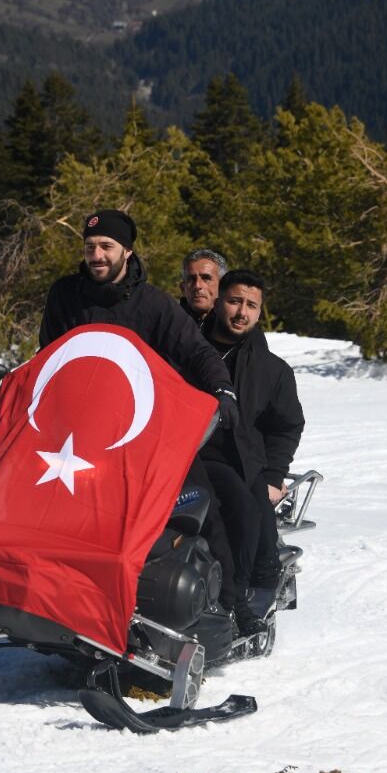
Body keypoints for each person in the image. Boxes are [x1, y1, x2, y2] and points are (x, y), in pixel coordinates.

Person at [39, 210, 246, 614]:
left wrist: (221, 389)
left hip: (145, 431)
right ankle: (51, 591)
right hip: (79, 432)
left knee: (204, 501)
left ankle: (232, 606)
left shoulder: (153, 304)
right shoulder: (65, 294)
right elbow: (48, 354)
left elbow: (197, 351)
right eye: (90, 247)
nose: (96, 255)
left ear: (127, 252)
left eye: (106, 247)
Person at [198, 268, 305, 628]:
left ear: (260, 312)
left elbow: (287, 426)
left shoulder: (272, 370)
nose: (242, 312)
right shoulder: (189, 351)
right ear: (218, 302)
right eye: (234, 301)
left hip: (243, 464)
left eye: (251, 305)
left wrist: (274, 475)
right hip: (185, 456)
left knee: (246, 513)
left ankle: (237, 601)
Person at [178, 248, 227, 324]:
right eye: (191, 279)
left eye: (206, 278)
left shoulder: (236, 325)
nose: (197, 285)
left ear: (222, 286)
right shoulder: (167, 325)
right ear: (183, 288)